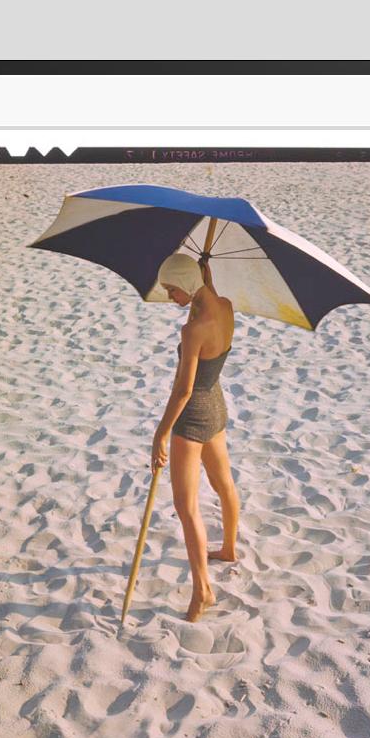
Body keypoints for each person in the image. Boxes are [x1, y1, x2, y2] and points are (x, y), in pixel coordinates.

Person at [151, 252, 240, 622]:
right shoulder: (224, 306)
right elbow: (209, 296)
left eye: (172, 289)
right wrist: (204, 277)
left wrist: (161, 433)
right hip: (217, 406)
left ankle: (202, 590)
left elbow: (183, 390)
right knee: (224, 484)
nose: (170, 297)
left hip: (193, 418)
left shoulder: (192, 330)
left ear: (187, 285)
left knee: (187, 507)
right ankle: (230, 548)